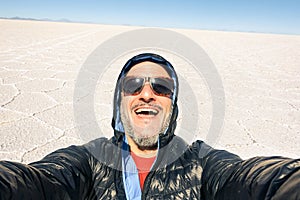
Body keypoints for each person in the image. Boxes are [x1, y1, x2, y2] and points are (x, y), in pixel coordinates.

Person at [0, 53, 299, 200]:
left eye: (161, 87)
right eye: (133, 85)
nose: (147, 93)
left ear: (174, 104)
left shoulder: (201, 163)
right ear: (119, 102)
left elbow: (256, 180)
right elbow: (37, 181)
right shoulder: (90, 160)